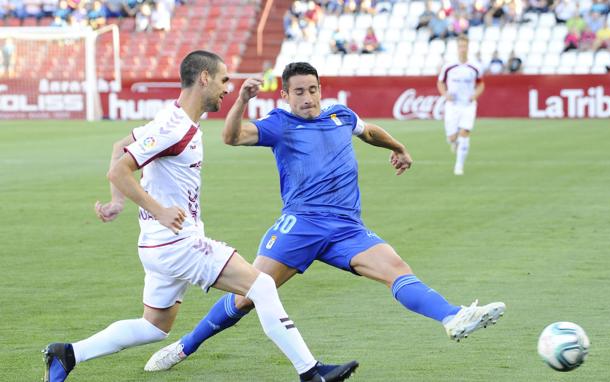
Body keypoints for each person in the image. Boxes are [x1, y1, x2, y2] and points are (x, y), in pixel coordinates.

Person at [145, 61, 506, 372]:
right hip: (300, 226)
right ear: (285, 96)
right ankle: (184, 347)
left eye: (313, 90)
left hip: (347, 228)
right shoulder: (279, 124)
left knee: (397, 269)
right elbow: (232, 136)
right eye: (299, 92)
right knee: (248, 296)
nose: (308, 99)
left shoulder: (340, 115)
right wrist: (242, 99)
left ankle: (453, 317)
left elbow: (368, 131)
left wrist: (397, 147)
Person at [42, 51, 358, 382]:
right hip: (177, 243)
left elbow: (120, 147)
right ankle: (310, 372)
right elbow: (120, 170)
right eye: (223, 81)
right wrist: (159, 210)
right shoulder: (174, 127)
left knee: (153, 327)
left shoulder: (177, 120)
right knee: (262, 285)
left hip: (157, 247)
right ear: (204, 78)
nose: (226, 88)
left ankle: (68, 353)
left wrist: (116, 203)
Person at [437, 34, 485, 176]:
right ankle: (454, 142)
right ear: (457, 48)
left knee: (464, 133)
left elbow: (481, 83)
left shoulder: (475, 66)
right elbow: (440, 82)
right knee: (452, 137)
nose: (462, 49)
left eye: (464, 46)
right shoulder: (449, 66)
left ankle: (459, 166)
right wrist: (445, 94)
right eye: (460, 46)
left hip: (468, 105)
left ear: (468, 47)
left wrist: (475, 95)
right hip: (452, 105)